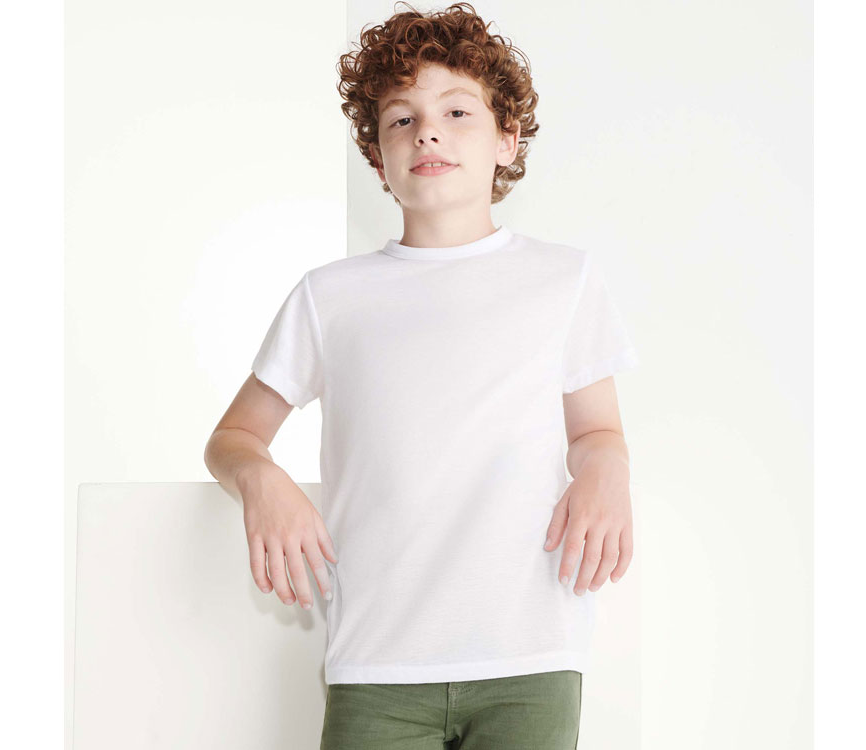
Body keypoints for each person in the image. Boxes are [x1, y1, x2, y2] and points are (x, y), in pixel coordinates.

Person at [203, 3, 640, 748]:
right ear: (378, 158)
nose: (427, 132)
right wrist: (261, 480)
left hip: (530, 656)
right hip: (377, 663)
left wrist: (608, 468)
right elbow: (233, 438)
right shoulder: (329, 297)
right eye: (401, 119)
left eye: (456, 112)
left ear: (507, 139)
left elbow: (597, 431)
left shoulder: (564, 280)